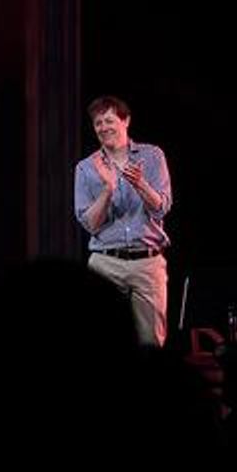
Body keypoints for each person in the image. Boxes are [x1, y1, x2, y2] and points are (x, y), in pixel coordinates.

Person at [74, 95, 172, 346]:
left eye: (109, 120)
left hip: (147, 263)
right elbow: (90, 224)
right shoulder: (86, 168)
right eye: (98, 123)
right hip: (105, 264)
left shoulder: (152, 156)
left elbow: (161, 208)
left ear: (125, 121)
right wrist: (107, 189)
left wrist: (140, 184)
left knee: (151, 343)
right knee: (103, 342)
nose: (104, 127)